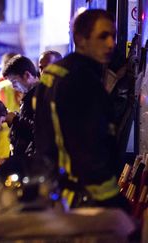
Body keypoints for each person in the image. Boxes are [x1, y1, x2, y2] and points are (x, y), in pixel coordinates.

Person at [34, 9, 125, 208]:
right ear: (80, 39)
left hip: (59, 193)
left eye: (113, 36)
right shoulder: (81, 80)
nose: (111, 43)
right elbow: (88, 145)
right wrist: (112, 201)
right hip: (86, 197)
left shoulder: (56, 74)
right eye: (103, 36)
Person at [1, 55, 39, 176]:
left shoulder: (40, 97)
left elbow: (39, 129)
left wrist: (15, 120)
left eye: (14, 81)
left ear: (27, 75)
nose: (13, 86)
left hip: (32, 164)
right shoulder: (29, 96)